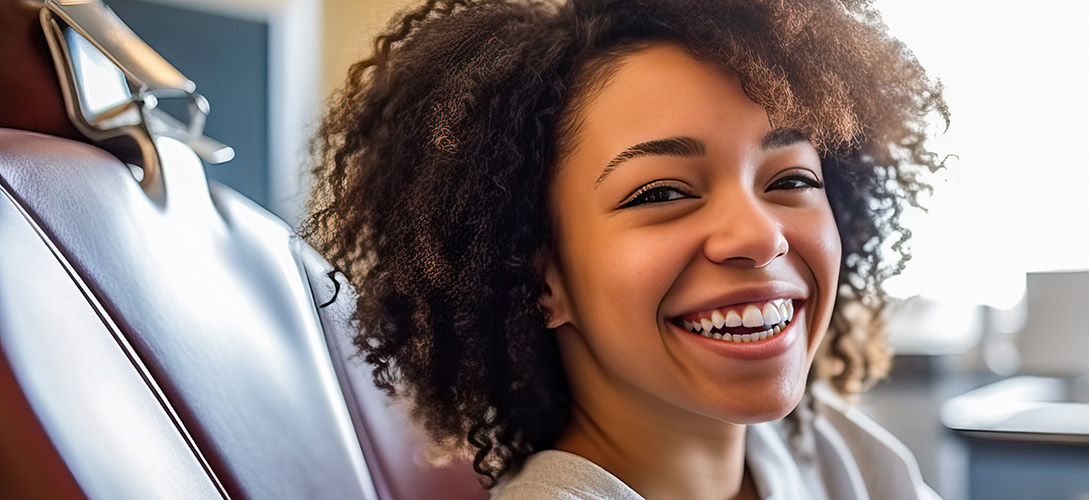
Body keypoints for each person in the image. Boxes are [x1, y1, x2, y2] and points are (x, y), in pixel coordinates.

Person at [302, 0, 947, 498]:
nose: (761, 235)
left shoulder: (837, 455)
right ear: (537, 278)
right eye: (661, 193)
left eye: (791, 180)